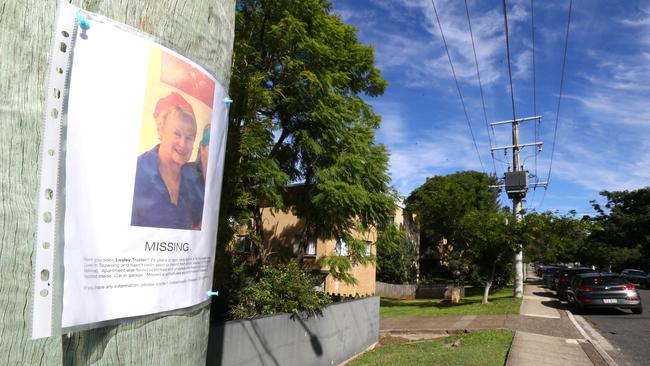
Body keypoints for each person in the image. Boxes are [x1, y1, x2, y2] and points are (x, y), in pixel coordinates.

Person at [131, 92, 204, 230]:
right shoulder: (136, 172)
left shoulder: (193, 181)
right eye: (177, 134)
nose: (183, 144)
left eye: (189, 138)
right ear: (161, 131)